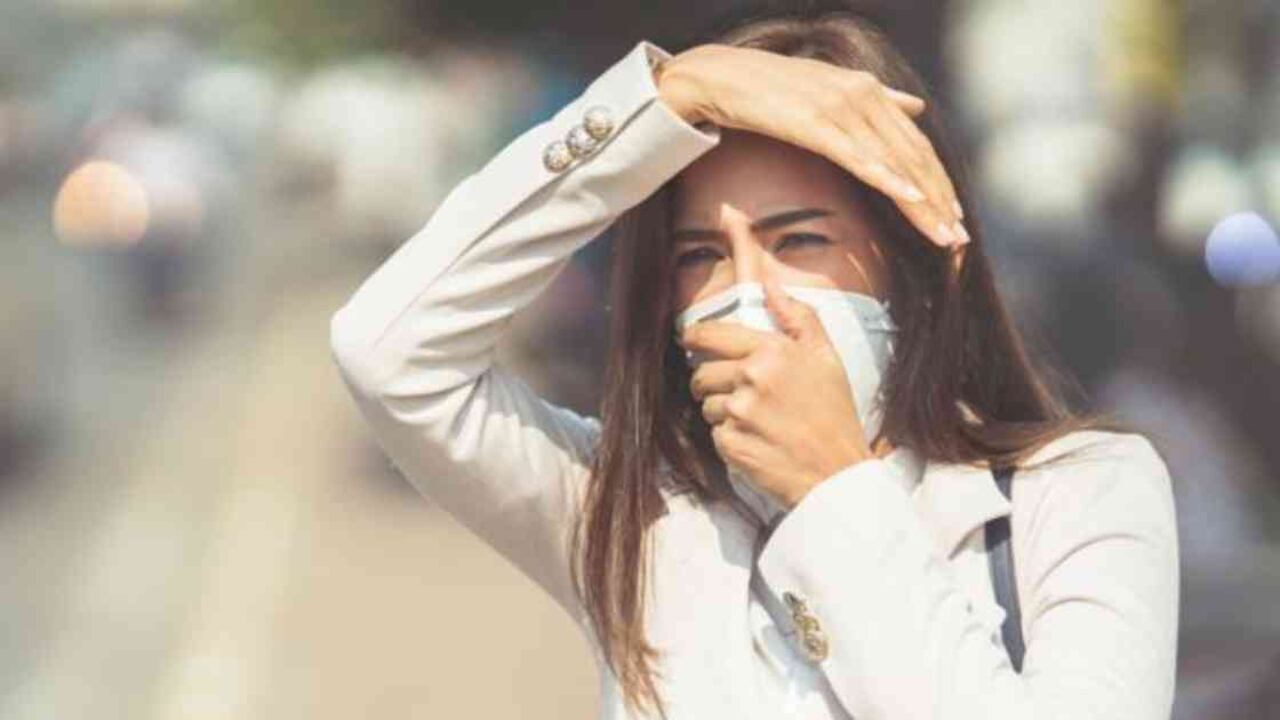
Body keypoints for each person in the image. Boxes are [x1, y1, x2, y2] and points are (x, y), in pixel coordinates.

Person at [328, 6, 1179, 719]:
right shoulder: (632, 512)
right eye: (702, 254)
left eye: (797, 240)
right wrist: (667, 97)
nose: (747, 294)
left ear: (911, 267)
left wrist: (833, 489)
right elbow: (389, 350)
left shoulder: (1078, 492)